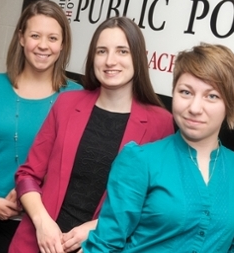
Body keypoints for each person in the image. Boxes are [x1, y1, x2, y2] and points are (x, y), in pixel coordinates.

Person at [9, 16, 174, 253]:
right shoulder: (66, 104)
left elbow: (154, 203)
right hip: (39, 243)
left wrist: (97, 228)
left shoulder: (160, 123)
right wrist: (42, 223)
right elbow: (27, 175)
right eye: (101, 51)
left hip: (102, 246)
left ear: (137, 57)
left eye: (122, 51)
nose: (110, 61)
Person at [83, 43, 234, 253]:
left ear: (230, 104)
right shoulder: (140, 160)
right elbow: (105, 244)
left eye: (212, 96)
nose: (194, 108)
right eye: (186, 92)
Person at [0, 0, 82, 253]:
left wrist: (29, 192)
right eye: (35, 35)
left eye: (53, 38)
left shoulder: (76, 97)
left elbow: (72, 163)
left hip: (33, 218)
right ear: (22, 38)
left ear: (63, 44)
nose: (43, 45)